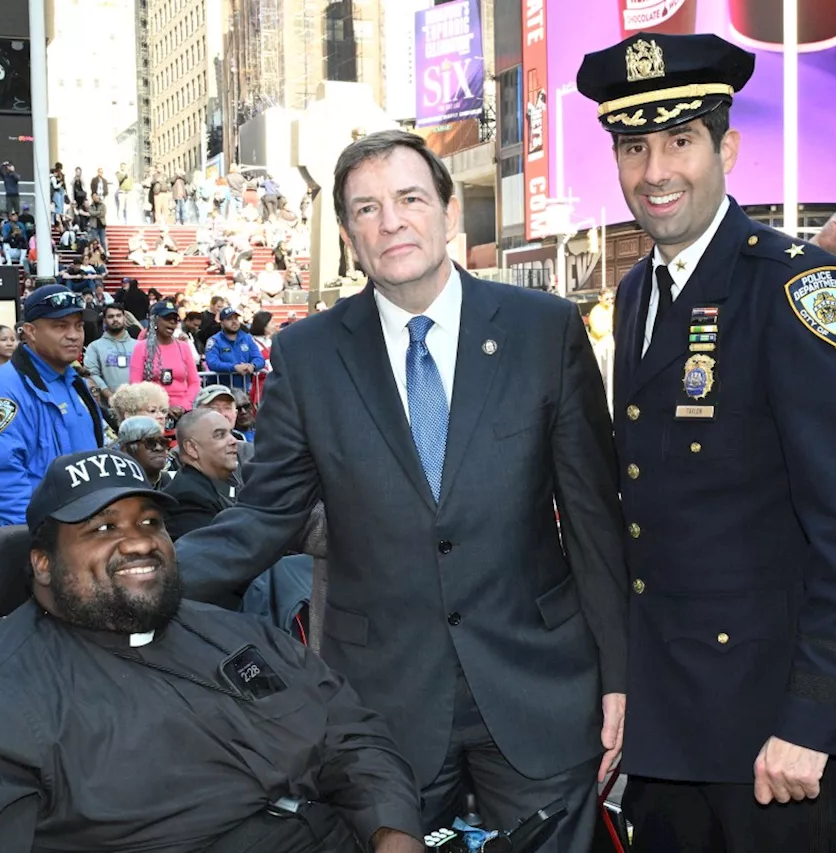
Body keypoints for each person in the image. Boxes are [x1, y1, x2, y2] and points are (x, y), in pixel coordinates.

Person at [177, 129, 627, 851]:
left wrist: (619, 674)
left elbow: (593, 519)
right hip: (381, 702)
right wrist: (153, 578)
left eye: (410, 198)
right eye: (366, 208)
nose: (391, 221)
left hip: (539, 685)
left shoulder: (545, 331)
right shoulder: (309, 354)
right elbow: (265, 516)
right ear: (351, 237)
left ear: (451, 214)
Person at [578, 34, 836, 851]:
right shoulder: (636, 290)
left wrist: (812, 718)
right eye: (633, 146)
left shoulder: (795, 288)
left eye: (680, 141)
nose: (656, 171)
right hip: (672, 729)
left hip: (772, 737)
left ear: (728, 147)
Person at [0, 448, 423, 852]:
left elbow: (349, 732)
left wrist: (391, 829)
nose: (138, 540)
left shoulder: (236, 633)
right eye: (102, 527)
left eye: (150, 522)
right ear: (43, 564)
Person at [0, 285, 104, 527]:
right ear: (30, 332)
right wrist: (38, 534)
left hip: (85, 528)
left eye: (78, 326)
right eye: (60, 326)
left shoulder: (74, 381)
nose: (74, 335)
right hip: (46, 536)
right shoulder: (5, 388)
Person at [162, 408, 242, 539]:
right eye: (220, 435)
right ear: (192, 448)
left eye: (230, 433)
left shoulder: (219, 484)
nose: (233, 441)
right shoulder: (187, 497)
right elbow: (222, 553)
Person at [131, 300, 200, 417]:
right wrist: (161, 409)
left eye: (175, 319)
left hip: (182, 412)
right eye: (167, 318)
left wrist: (184, 405)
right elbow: (136, 385)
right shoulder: (141, 348)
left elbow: (194, 382)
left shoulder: (184, 347)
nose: (172, 322)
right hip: (153, 412)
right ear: (155, 320)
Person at [84, 303, 136, 409]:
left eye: (118, 315)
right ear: (104, 320)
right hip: (108, 408)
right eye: (111, 316)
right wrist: (110, 397)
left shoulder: (138, 346)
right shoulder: (95, 347)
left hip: (137, 405)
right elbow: (92, 374)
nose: (115, 319)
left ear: (124, 318)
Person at [203, 307, 265, 393]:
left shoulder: (247, 338)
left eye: (236, 318)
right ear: (222, 323)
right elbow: (212, 363)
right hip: (220, 392)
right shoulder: (214, 341)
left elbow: (259, 359)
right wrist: (234, 367)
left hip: (244, 391)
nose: (234, 322)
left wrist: (252, 366)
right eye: (229, 319)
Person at [116, 416, 172, 489]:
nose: (159, 448)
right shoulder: (119, 488)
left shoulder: (172, 482)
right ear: (126, 450)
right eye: (150, 442)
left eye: (163, 442)